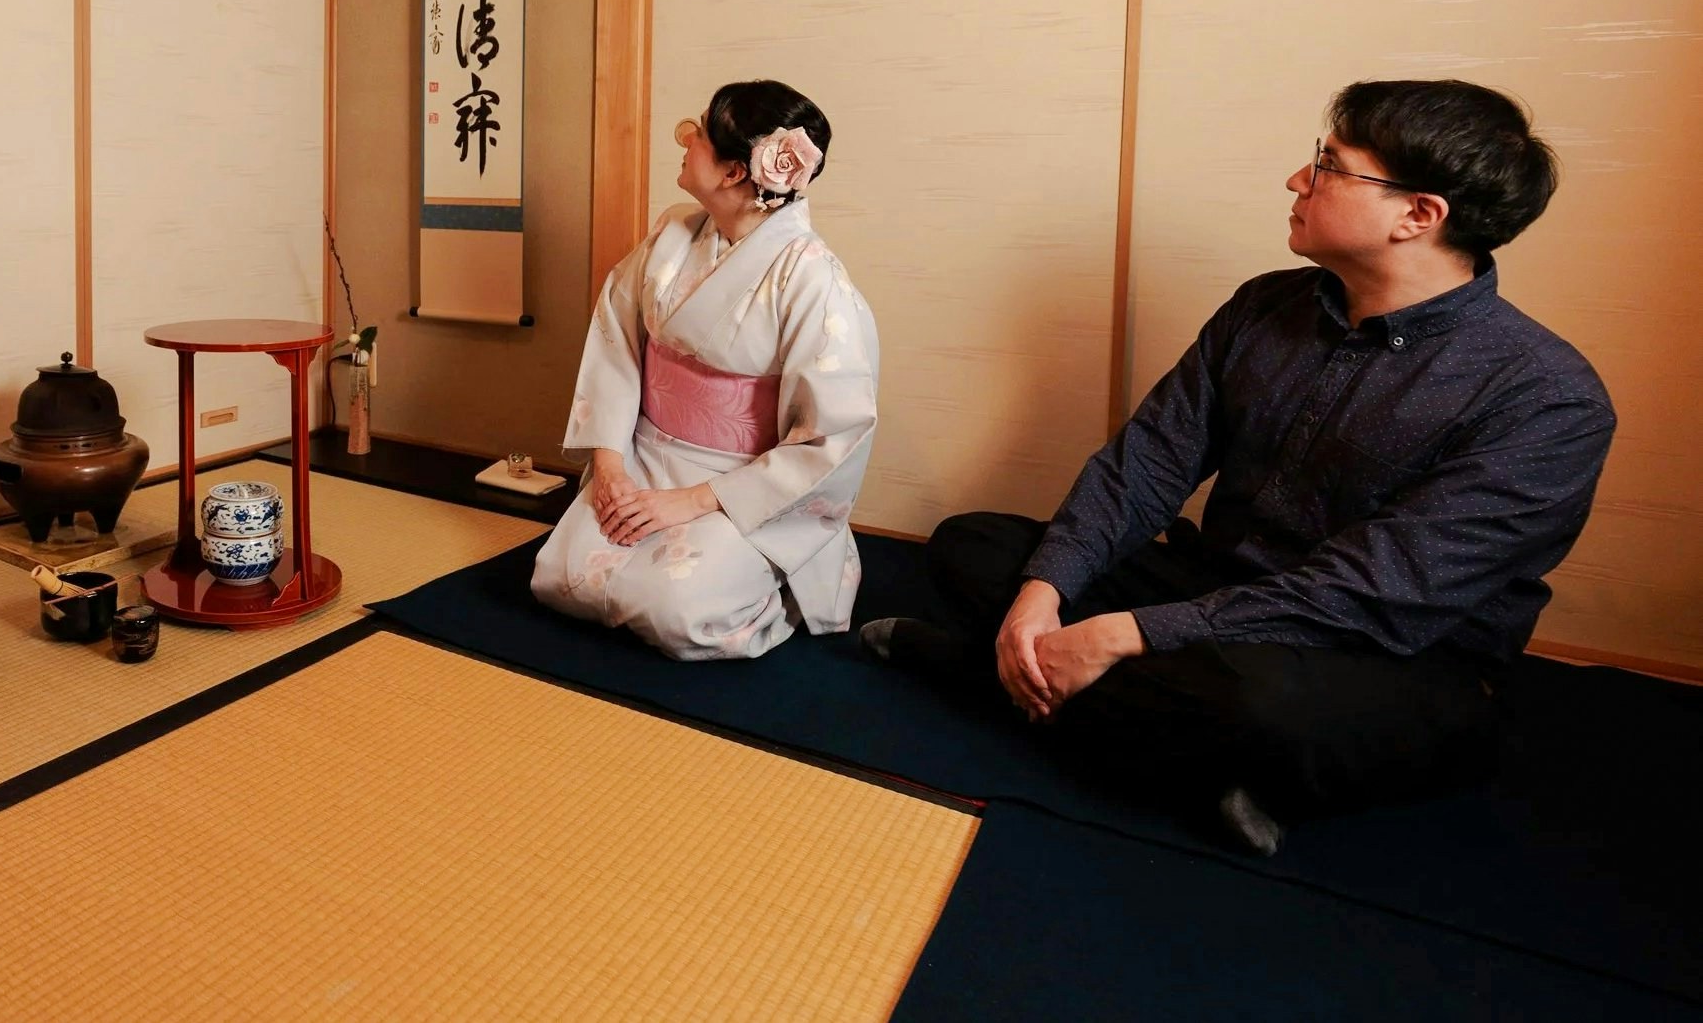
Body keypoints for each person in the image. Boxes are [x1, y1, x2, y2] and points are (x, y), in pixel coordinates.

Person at [863, 80, 1613, 853]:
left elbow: (1372, 593)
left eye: (1329, 165)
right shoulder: (1266, 305)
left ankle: (978, 675)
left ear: (1417, 214)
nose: (1298, 179)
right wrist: (1043, 593)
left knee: (1259, 704)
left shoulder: (1547, 398)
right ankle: (1179, 759)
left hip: (1385, 653)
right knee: (974, 547)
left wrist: (1122, 635)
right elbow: (1144, 464)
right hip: (1217, 592)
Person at [531, 80, 880, 659]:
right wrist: (610, 464)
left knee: (677, 612)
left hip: (740, 484)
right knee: (562, 577)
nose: (685, 138)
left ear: (735, 173)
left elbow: (831, 433)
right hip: (645, 455)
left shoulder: (813, 278)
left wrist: (692, 501)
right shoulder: (673, 232)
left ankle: (783, 584)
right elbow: (617, 342)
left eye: (699, 132)